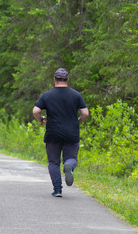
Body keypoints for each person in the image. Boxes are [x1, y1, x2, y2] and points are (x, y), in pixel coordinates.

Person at [33, 68, 89, 197]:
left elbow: (35, 111)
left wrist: (41, 119)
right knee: (71, 158)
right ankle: (68, 165)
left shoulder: (47, 95)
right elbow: (85, 113)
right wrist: (78, 121)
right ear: (67, 80)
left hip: (53, 132)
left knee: (53, 162)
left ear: (54, 80)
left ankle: (57, 190)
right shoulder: (76, 95)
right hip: (71, 132)